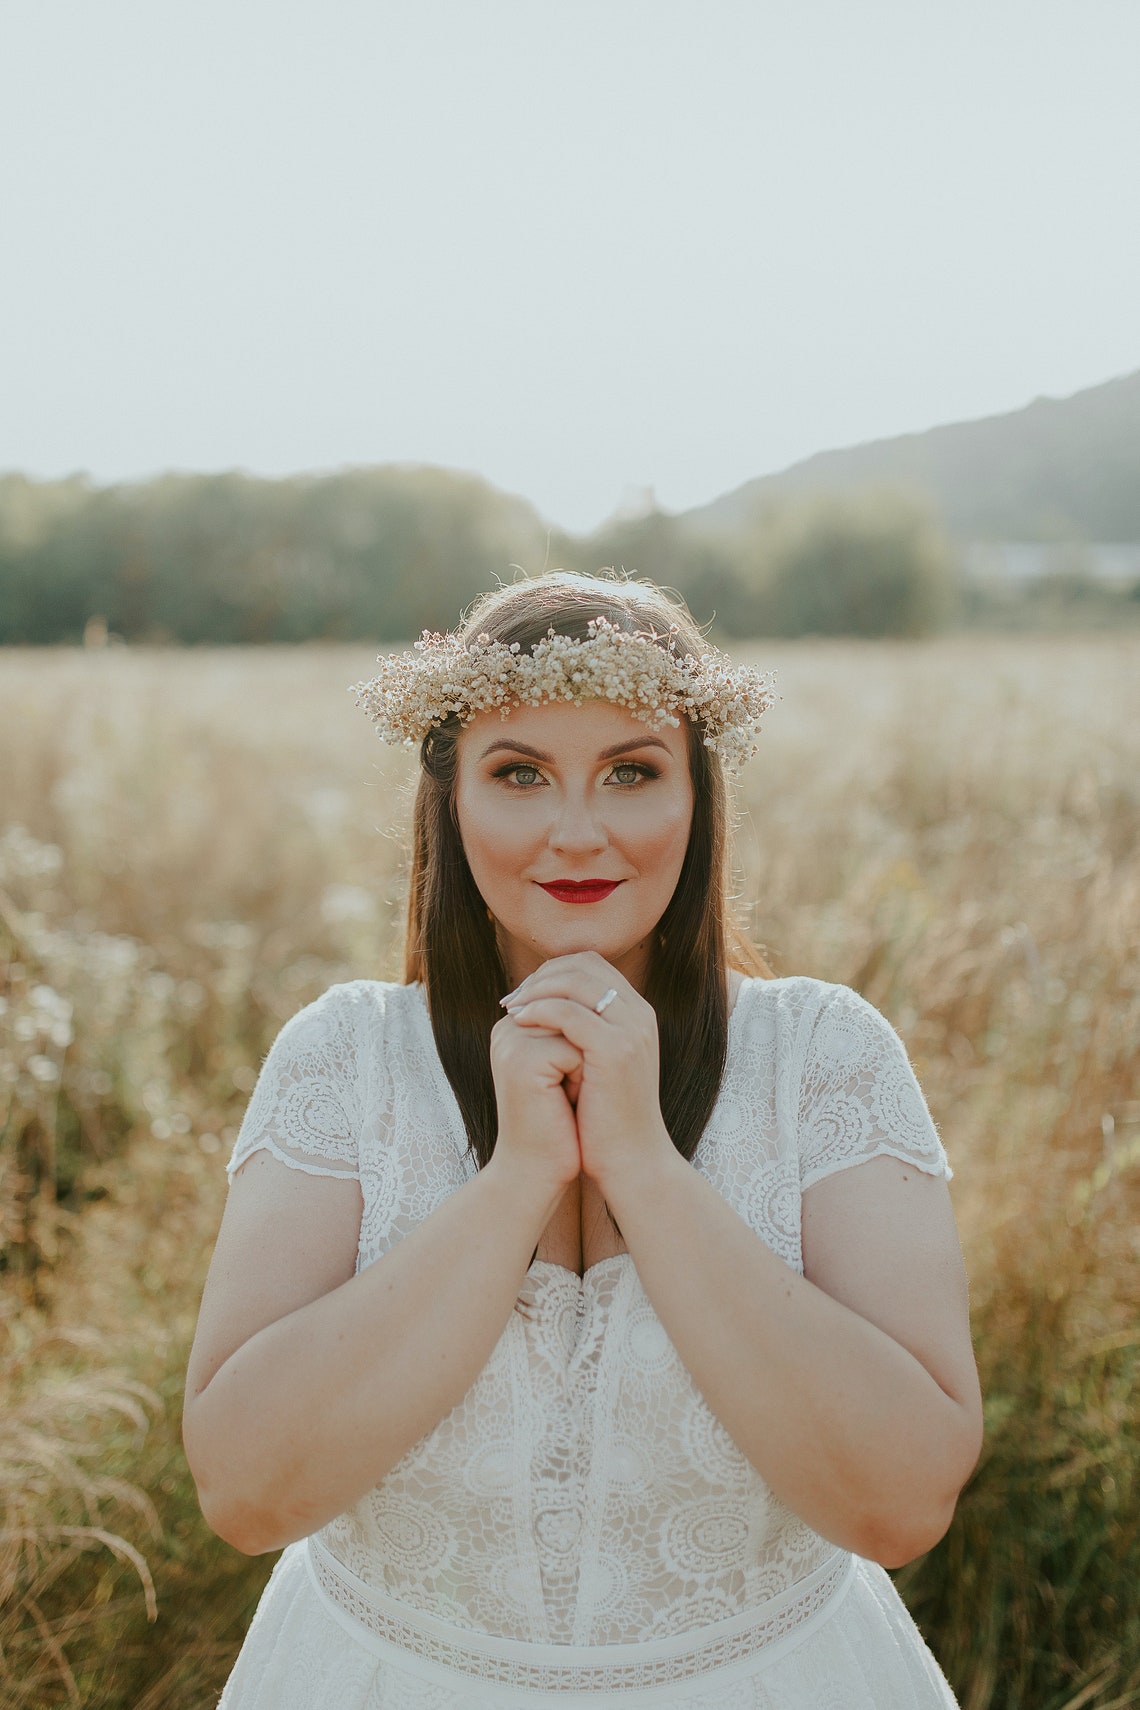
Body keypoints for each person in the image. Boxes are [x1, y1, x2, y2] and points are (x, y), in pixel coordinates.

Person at [184, 569, 983, 1709]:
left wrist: (646, 1167)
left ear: (697, 797)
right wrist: (517, 1180)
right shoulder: (342, 1058)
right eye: (518, 774)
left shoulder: (825, 1055)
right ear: (449, 797)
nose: (576, 831)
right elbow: (246, 1497)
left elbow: (900, 1508)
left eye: (632, 772)